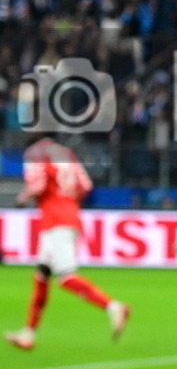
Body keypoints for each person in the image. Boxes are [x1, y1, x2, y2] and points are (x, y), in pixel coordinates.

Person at [4, 135, 130, 351]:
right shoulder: (66, 154)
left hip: (55, 220)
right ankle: (28, 334)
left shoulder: (36, 153)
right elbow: (85, 185)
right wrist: (65, 199)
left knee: (65, 277)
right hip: (69, 214)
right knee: (41, 275)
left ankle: (113, 307)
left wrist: (22, 199)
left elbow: (38, 184)